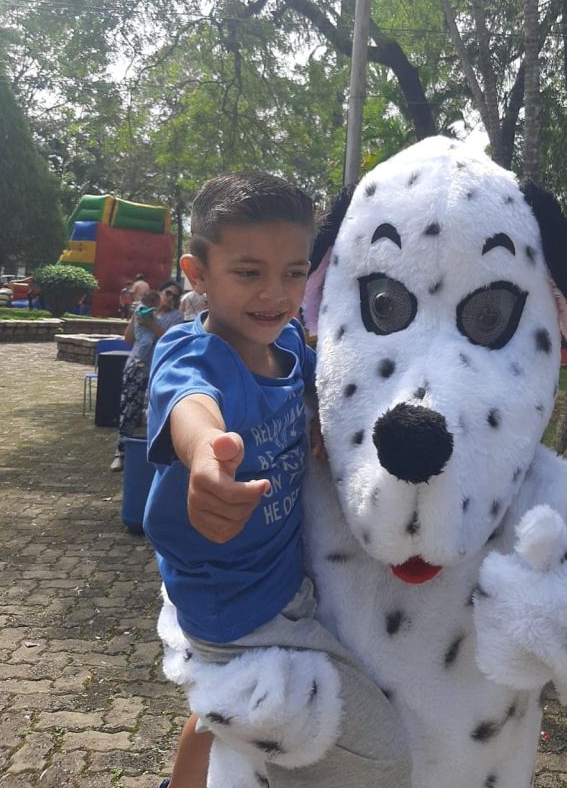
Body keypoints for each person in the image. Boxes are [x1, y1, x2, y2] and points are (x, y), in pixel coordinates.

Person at [143, 172, 410, 788]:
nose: (274, 293)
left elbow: (325, 385)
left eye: (293, 273)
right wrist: (206, 456)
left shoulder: (287, 343)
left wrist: (321, 415)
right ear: (197, 274)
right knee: (384, 756)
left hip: (277, 586)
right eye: (248, 272)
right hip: (239, 617)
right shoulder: (191, 355)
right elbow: (191, 406)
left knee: (220, 712)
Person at [110, 284, 186, 472]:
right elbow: (129, 339)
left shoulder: (177, 317)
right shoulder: (143, 309)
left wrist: (150, 323)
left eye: (175, 296)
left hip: (159, 370)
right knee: (128, 409)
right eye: (167, 293)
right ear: (159, 293)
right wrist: (135, 320)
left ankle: (154, 457)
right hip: (135, 366)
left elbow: (170, 340)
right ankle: (120, 452)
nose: (170, 298)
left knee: (155, 413)